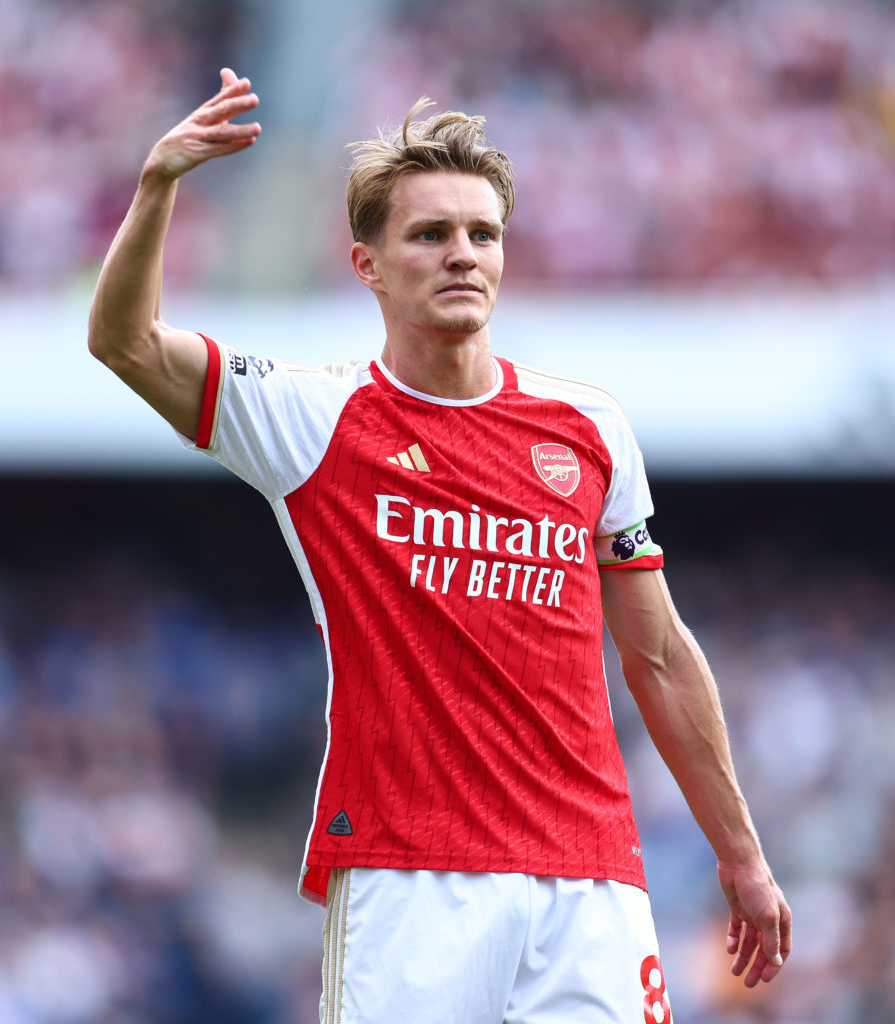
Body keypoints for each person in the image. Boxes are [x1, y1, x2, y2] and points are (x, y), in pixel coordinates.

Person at [88, 67, 791, 1022]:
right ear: (368, 264)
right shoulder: (313, 417)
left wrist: (740, 853)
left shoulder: (587, 428)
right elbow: (124, 341)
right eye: (430, 234)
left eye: (482, 235)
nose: (463, 255)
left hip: (590, 880)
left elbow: (659, 655)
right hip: (408, 879)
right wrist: (159, 183)